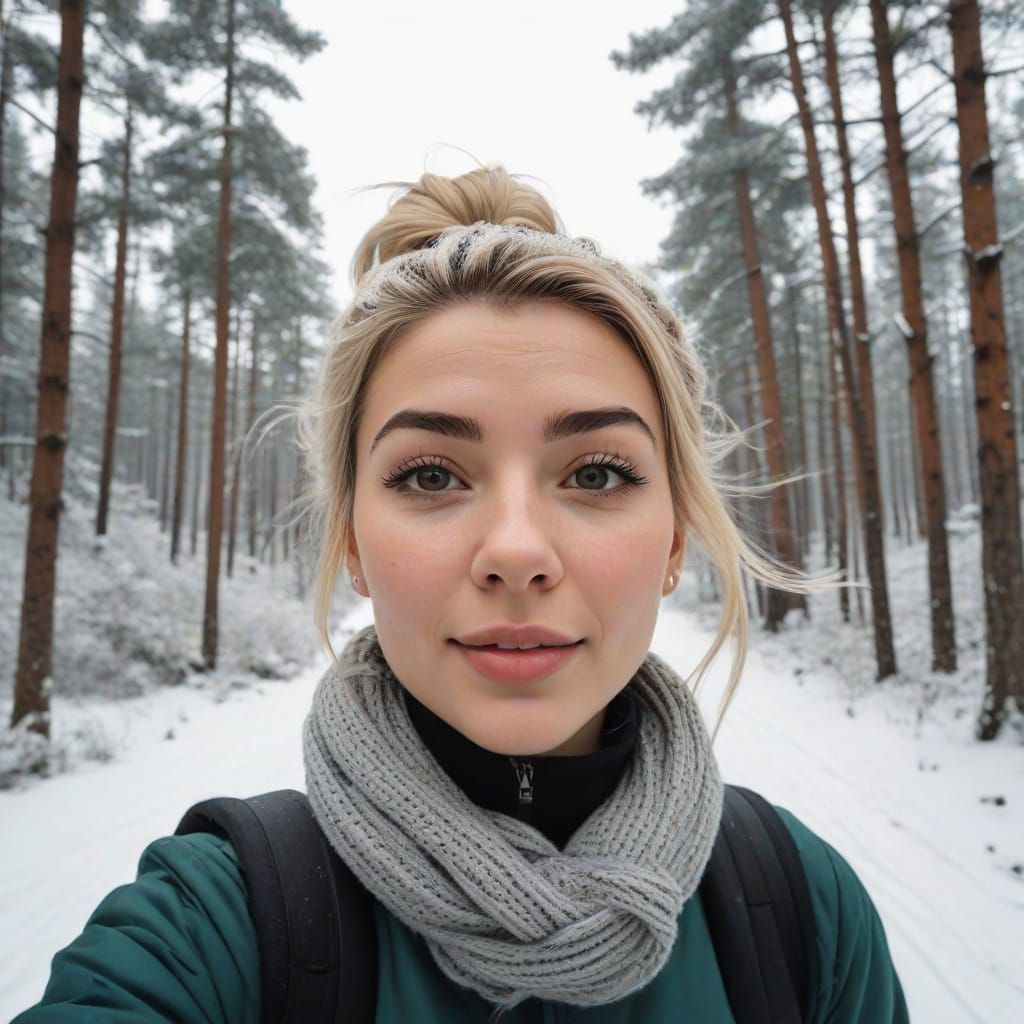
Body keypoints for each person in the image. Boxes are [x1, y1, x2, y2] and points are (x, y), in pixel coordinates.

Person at [13, 164, 909, 1023]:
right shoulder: (213, 925)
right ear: (352, 545)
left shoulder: (804, 911)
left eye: (596, 472)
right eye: (432, 474)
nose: (516, 552)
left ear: (674, 539)